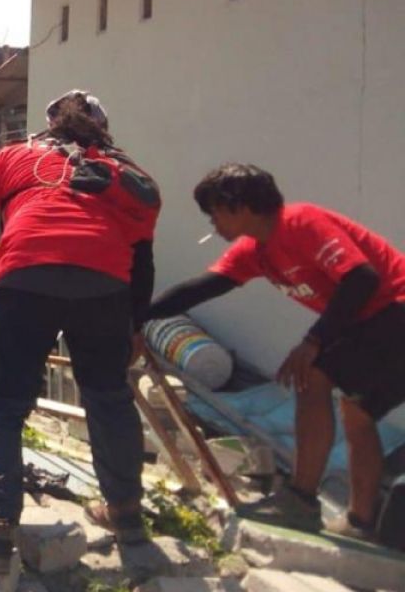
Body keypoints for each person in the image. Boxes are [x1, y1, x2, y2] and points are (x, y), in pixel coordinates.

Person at [0, 90, 161, 578]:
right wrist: (135, 326)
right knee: (108, 397)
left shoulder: (13, 157)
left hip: (25, 281)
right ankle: (127, 517)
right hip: (106, 291)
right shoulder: (133, 179)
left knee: (1, 406)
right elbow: (143, 264)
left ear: (47, 126)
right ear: (103, 129)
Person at [147, 163, 405, 539]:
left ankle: (300, 500)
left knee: (313, 376)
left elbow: (361, 278)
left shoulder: (300, 222)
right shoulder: (255, 252)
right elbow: (201, 288)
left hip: (395, 308)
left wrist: (313, 341)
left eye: (214, 212)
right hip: (374, 323)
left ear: (239, 206)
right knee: (357, 413)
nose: (213, 223)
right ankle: (360, 522)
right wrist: (136, 316)